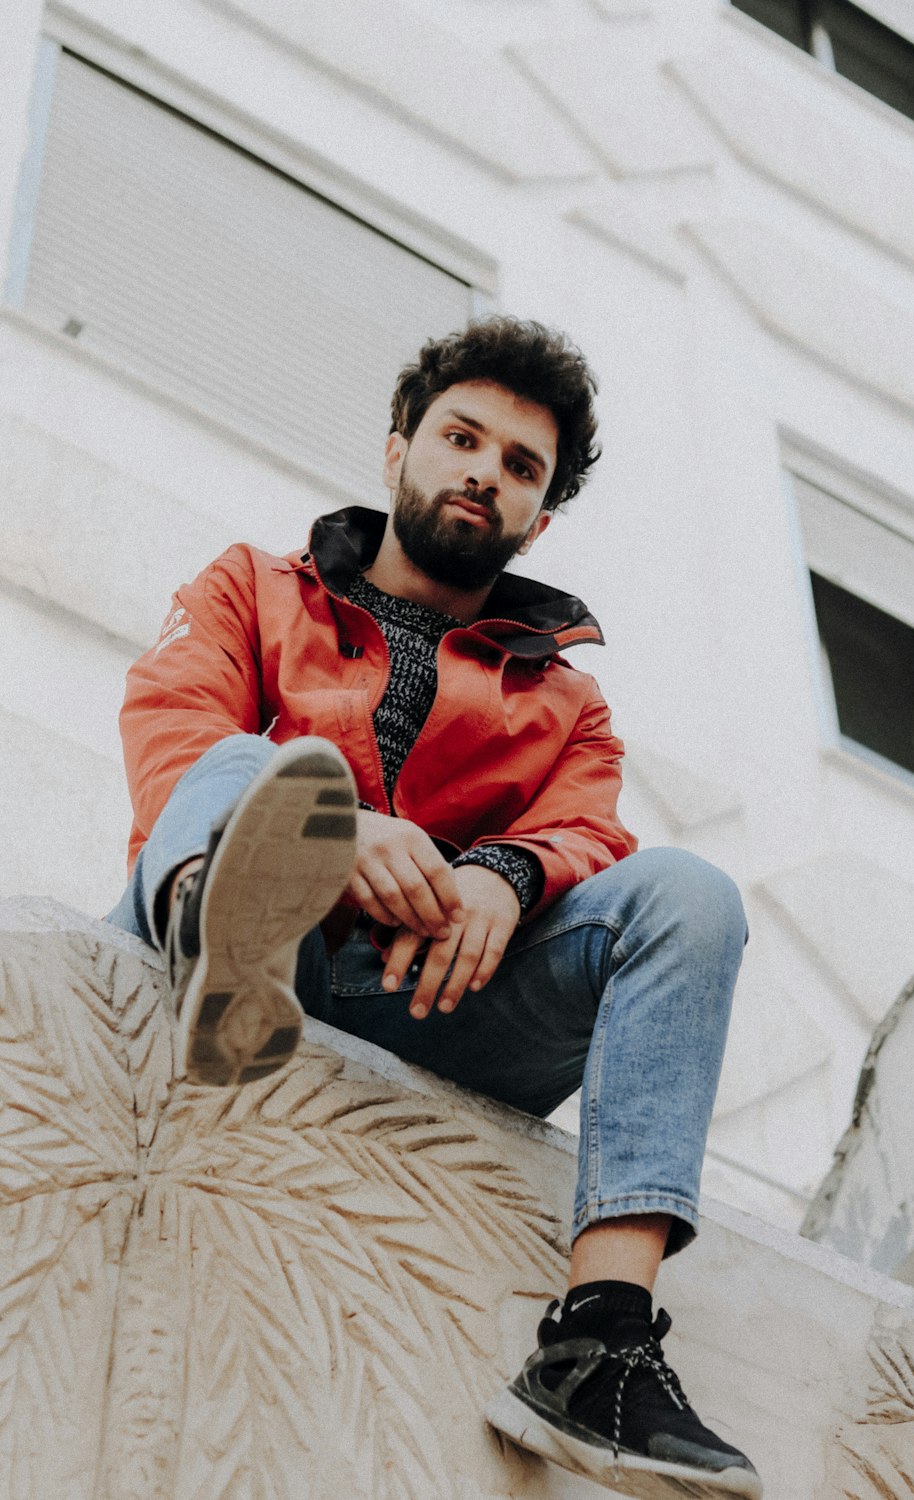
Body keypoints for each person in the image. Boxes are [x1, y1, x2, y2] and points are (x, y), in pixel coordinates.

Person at [107, 317, 761, 1497]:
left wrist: (499, 876)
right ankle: (224, 954)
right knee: (254, 766)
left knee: (688, 894)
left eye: (521, 467)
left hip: (438, 998)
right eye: (463, 439)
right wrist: (342, 829)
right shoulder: (253, 587)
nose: (485, 472)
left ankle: (600, 1345)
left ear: (539, 518)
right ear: (399, 448)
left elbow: (587, 831)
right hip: (259, 955)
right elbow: (174, 730)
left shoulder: (569, 702)